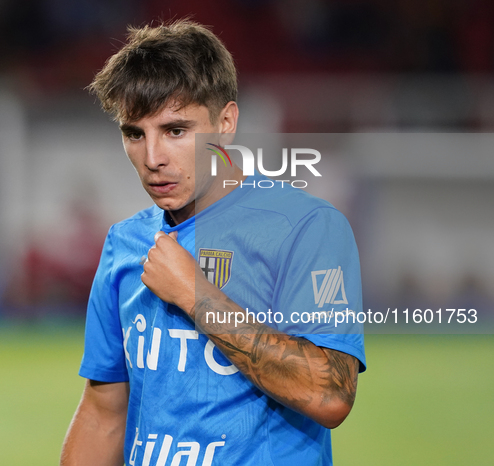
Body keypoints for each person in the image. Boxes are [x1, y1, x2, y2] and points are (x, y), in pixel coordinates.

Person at [60, 19, 366, 466]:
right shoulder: (125, 244)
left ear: (225, 123)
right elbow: (104, 413)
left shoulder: (306, 228)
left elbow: (330, 394)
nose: (153, 159)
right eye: (134, 133)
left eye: (175, 130)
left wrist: (195, 294)